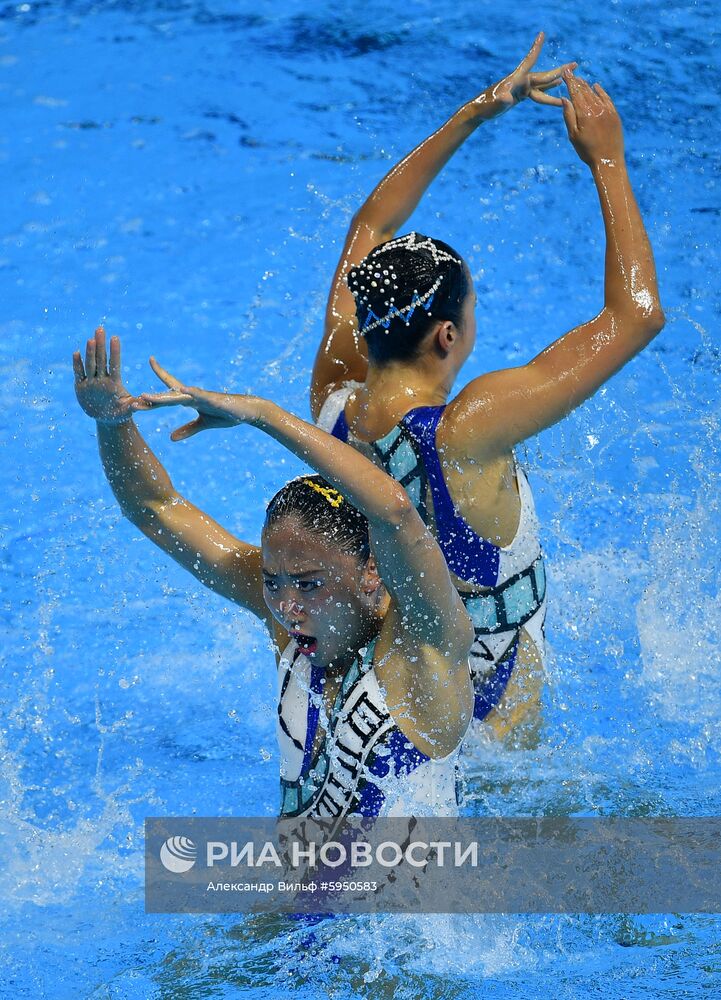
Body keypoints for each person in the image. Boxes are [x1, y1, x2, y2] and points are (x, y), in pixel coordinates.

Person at [310, 40, 665, 738]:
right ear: (447, 334)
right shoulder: (469, 427)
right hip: (485, 705)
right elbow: (637, 314)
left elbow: (370, 228)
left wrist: (474, 112)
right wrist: (607, 160)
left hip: (381, 687)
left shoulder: (332, 397)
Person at [73, 329, 474, 820]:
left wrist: (264, 414)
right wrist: (113, 423)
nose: (285, 606)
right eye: (272, 581)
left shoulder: (424, 647)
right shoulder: (287, 626)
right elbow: (155, 508)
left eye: (308, 584)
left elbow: (394, 510)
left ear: (372, 571)